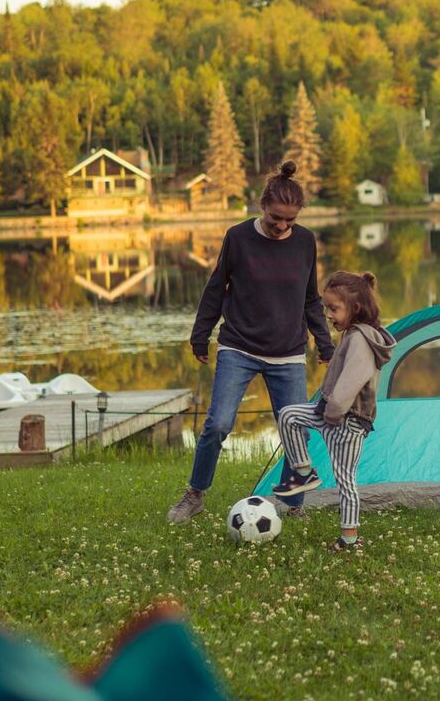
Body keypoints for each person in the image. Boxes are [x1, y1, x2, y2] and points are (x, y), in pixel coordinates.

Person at [166, 161, 334, 524]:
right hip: (238, 347)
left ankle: (295, 505)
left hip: (288, 353)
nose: (282, 226)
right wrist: (201, 335)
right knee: (219, 424)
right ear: (263, 205)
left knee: (295, 430)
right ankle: (195, 494)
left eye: (289, 220)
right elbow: (216, 288)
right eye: (276, 218)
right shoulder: (238, 237)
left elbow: (310, 298)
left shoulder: (305, 242)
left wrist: (325, 342)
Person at [271, 270, 393, 551]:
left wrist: (332, 413)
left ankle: (349, 539)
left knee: (345, 479)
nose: (328, 314)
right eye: (327, 308)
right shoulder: (352, 333)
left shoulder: (362, 339)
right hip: (330, 413)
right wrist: (327, 411)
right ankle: (303, 472)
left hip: (349, 421)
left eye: (334, 309)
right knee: (289, 415)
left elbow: (352, 381)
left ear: (356, 308)